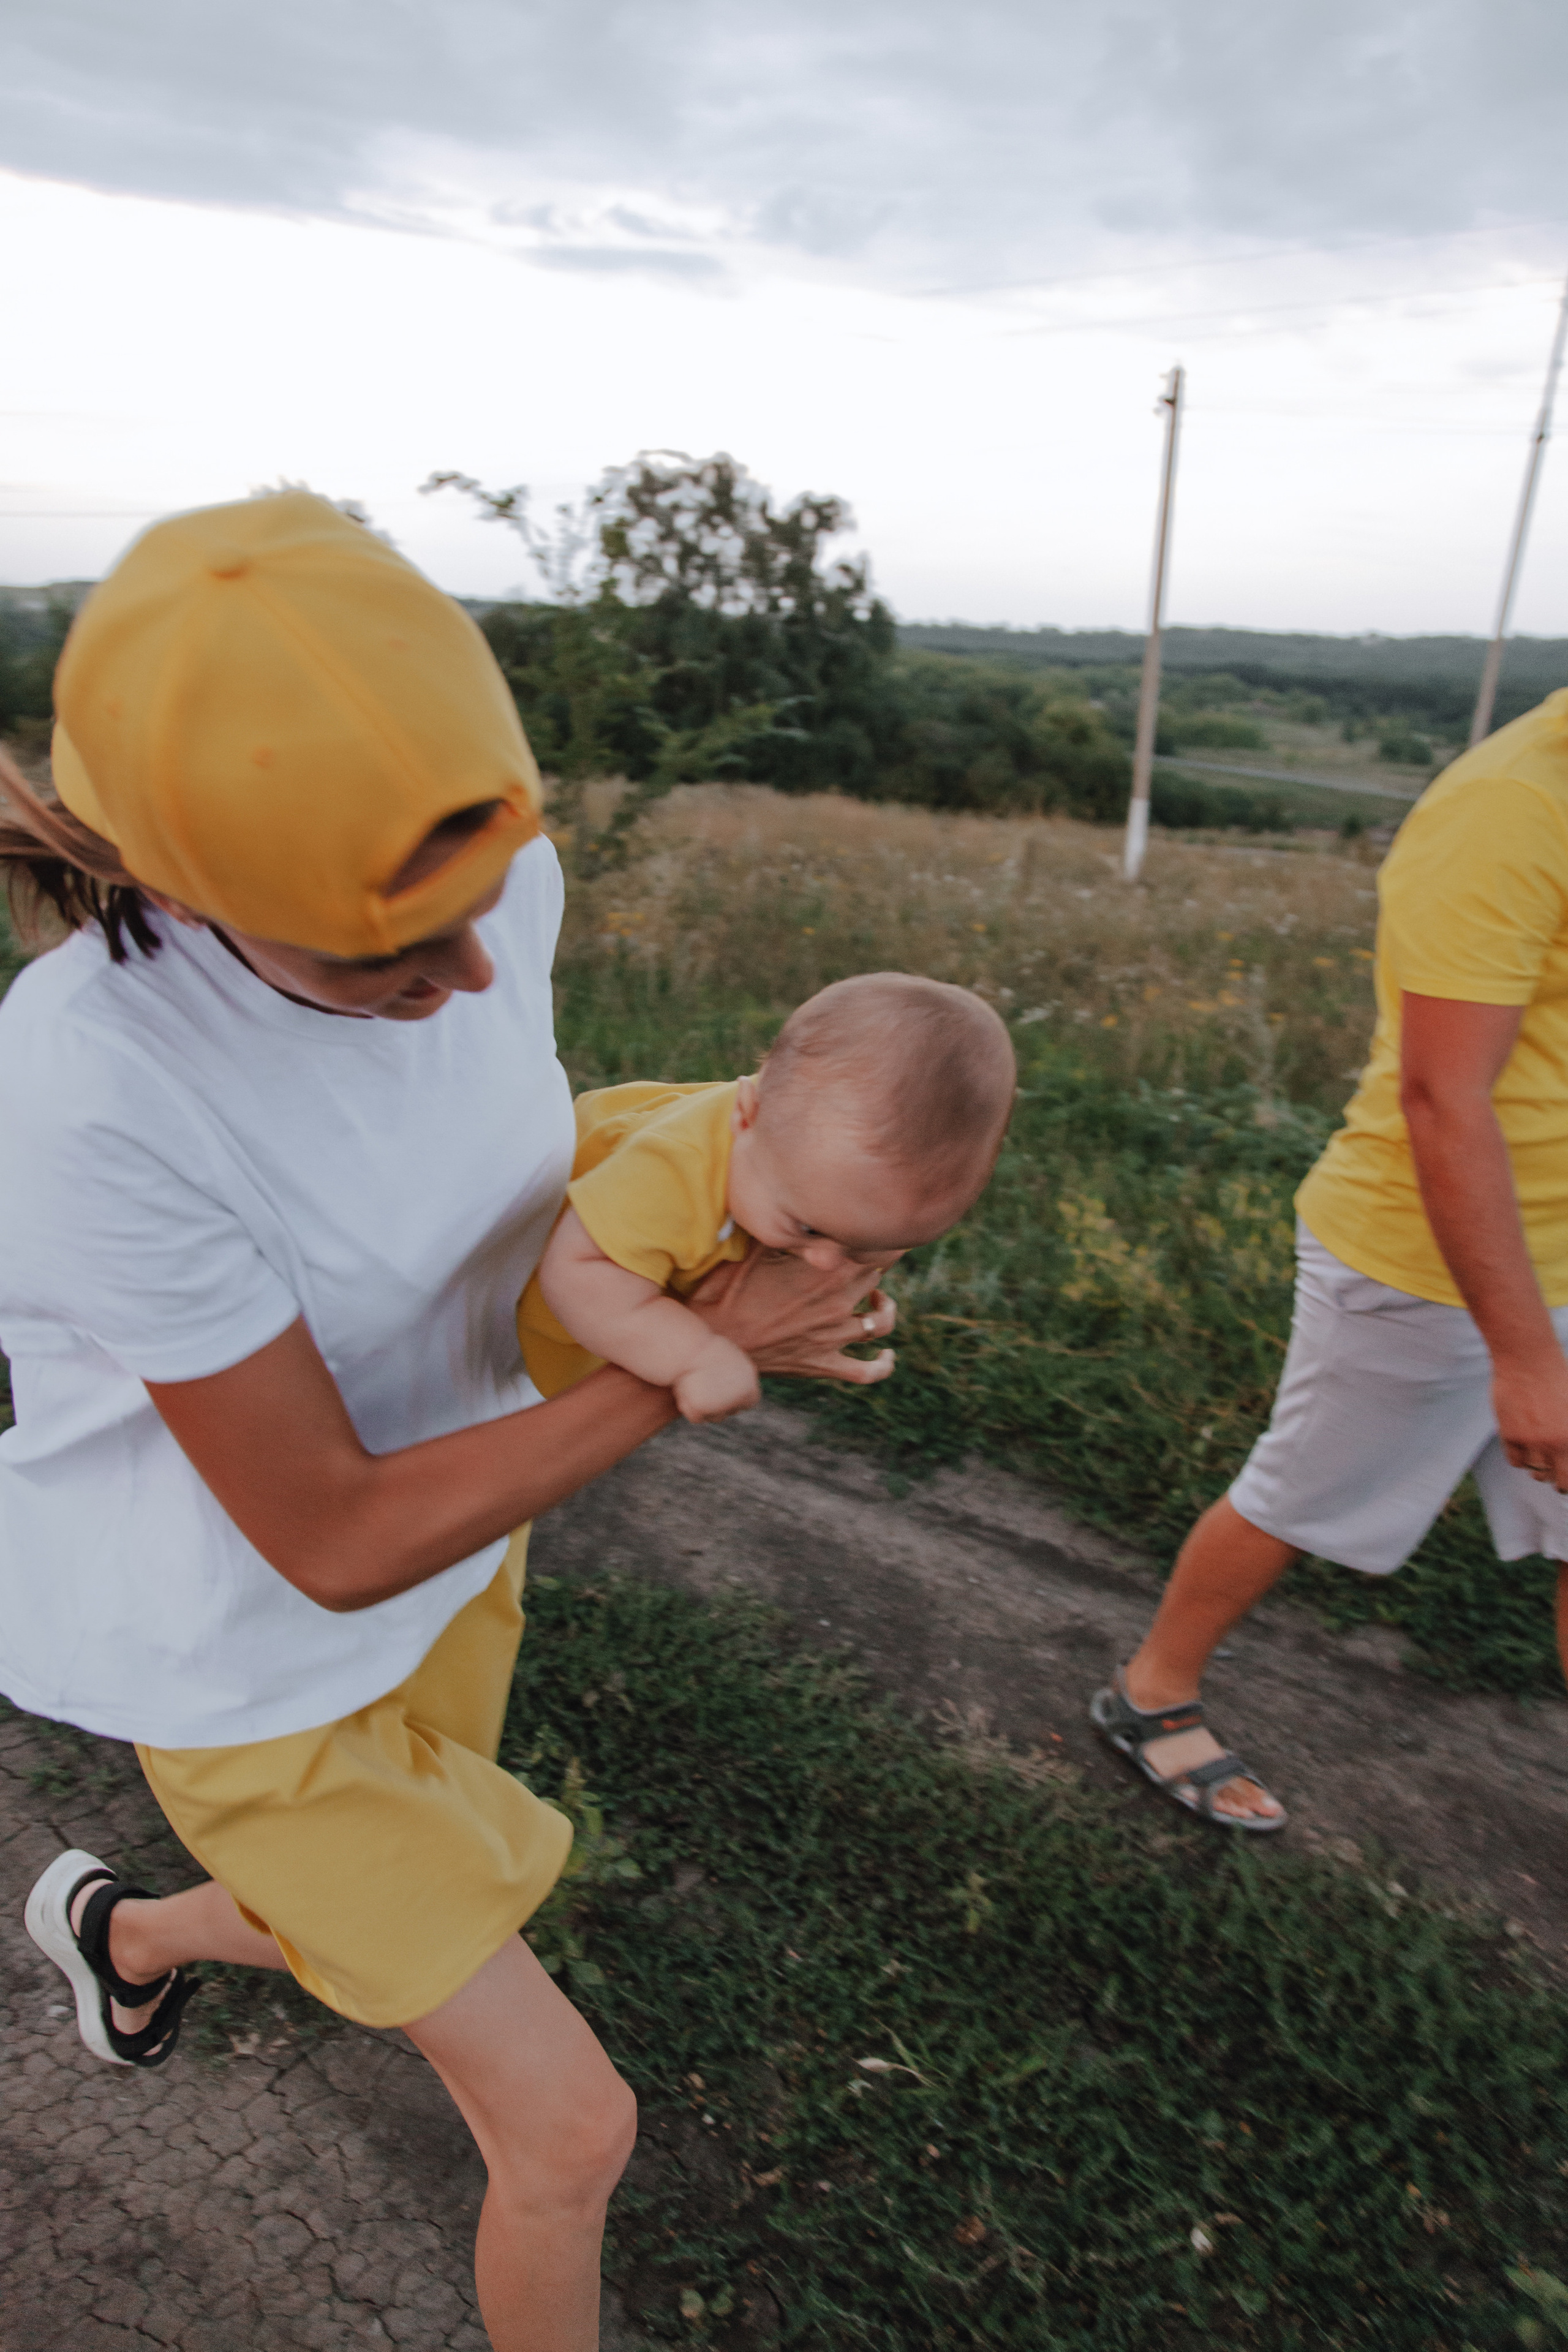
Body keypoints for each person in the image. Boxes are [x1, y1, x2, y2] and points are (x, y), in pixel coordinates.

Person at [4, 490, 899, 2352]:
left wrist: (754, 1160)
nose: (475, 980)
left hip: (456, 1564)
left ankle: (131, 1936)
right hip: (252, 1660)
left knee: (370, 1915)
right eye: (385, 963)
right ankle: (157, 1922)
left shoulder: (494, 888)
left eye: (485, 908)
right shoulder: (92, 1087)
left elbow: (497, 1171)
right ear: (187, 887)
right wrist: (685, 1352)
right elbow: (324, 1529)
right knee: (570, 2129)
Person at [1091, 688, 1568, 1830]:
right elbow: (1440, 1098)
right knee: (1301, 1494)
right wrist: (1522, 1352)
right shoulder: (1513, 805)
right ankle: (1150, 1690)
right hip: (1430, 1255)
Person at [519, 973, 1016, 1419]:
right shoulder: (674, 1169)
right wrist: (697, 1356)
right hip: (517, 1326)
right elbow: (580, 1272)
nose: (825, 1264)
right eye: (809, 1229)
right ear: (746, 1116)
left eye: (867, 1244)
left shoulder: (798, 1163)